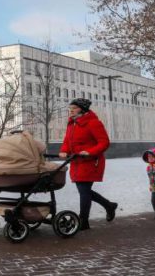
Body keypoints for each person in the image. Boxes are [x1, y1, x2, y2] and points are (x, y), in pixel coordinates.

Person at [58, 98, 118, 230]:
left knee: (84, 191)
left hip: (91, 161)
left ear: (82, 109)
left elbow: (104, 142)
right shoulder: (71, 124)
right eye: (70, 108)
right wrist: (63, 150)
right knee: (84, 191)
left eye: (74, 107)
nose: (71, 110)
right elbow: (67, 141)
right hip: (76, 161)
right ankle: (108, 205)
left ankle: (83, 220)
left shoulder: (93, 123)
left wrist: (90, 152)